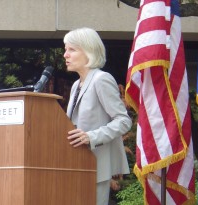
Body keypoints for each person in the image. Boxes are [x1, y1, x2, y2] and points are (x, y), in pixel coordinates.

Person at [63, 27, 132, 205]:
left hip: (95, 165)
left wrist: (91, 136)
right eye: (65, 49)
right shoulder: (76, 85)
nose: (65, 55)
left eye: (71, 49)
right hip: (75, 163)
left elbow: (123, 121)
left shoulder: (101, 79)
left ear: (88, 52)